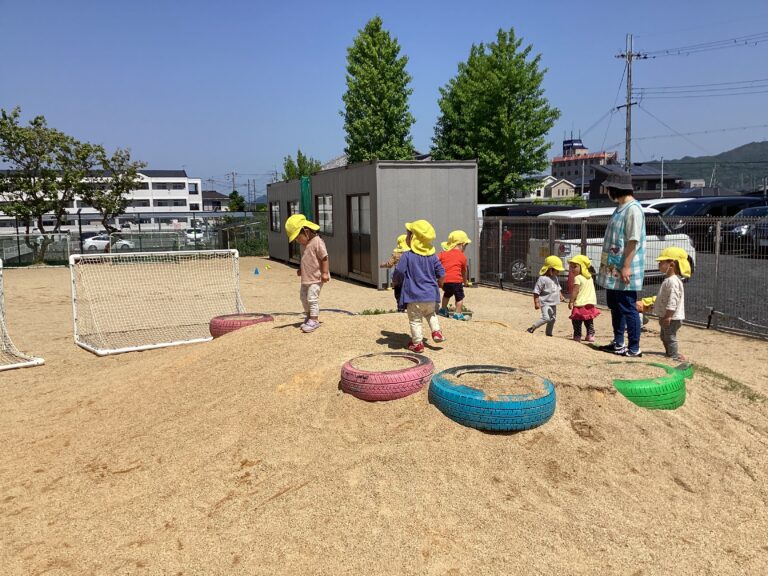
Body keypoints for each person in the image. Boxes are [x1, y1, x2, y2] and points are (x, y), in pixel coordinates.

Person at [596, 170, 646, 357]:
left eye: (609, 188)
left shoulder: (633, 210)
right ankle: (618, 342)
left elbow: (633, 240)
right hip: (612, 267)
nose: (607, 192)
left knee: (627, 306)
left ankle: (634, 348)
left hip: (625, 268)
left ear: (616, 189)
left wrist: (626, 266)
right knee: (615, 305)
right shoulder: (620, 208)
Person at [393, 220, 446, 353]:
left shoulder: (407, 256)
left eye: (408, 235)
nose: (406, 238)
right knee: (430, 313)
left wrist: (395, 281)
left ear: (413, 238)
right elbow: (441, 273)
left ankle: (417, 344)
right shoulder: (433, 257)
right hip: (431, 295)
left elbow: (399, 271)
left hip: (413, 296)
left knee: (415, 320)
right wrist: (441, 284)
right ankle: (436, 332)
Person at [285, 214, 330, 333]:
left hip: (317, 277)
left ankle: (314, 320)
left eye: (297, 237)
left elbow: (324, 257)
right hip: (306, 277)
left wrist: (325, 273)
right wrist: (301, 269)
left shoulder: (317, 242)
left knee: (312, 298)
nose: (297, 240)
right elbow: (306, 258)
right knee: (303, 297)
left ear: (305, 231)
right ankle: (309, 316)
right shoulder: (304, 245)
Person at [654, 247, 692, 361]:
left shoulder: (673, 281)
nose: (659, 264)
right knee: (664, 336)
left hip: (672, 317)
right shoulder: (668, 279)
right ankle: (669, 353)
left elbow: (673, 300)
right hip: (665, 315)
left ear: (672, 264)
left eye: (662, 262)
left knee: (670, 336)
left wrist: (668, 315)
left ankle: (674, 355)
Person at [526, 255, 566, 336]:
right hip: (545, 303)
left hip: (553, 303)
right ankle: (532, 328)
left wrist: (561, 296)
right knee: (546, 318)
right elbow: (536, 291)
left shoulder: (555, 278)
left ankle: (548, 334)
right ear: (550, 270)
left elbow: (558, 288)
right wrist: (536, 302)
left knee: (552, 319)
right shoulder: (542, 279)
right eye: (557, 270)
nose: (558, 272)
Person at [437, 230, 471, 320]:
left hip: (445, 281)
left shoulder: (443, 253)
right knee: (459, 298)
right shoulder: (462, 256)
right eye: (466, 246)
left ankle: (443, 310)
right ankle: (458, 314)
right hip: (456, 281)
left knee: (446, 294)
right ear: (462, 244)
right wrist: (465, 281)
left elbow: (436, 260)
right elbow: (464, 272)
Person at [567, 254, 600, 342]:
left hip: (580, 304)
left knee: (576, 320)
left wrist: (571, 301)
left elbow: (575, 291)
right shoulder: (590, 278)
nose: (572, 269)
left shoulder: (577, 278)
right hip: (590, 303)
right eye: (571, 267)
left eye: (575, 267)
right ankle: (590, 335)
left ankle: (577, 335)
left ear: (582, 267)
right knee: (589, 320)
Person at [380, 234, 409, 312]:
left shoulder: (396, 254)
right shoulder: (411, 253)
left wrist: (382, 265)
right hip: (409, 276)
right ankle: (409, 306)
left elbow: (389, 264)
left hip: (398, 277)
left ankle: (400, 307)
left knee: (398, 292)